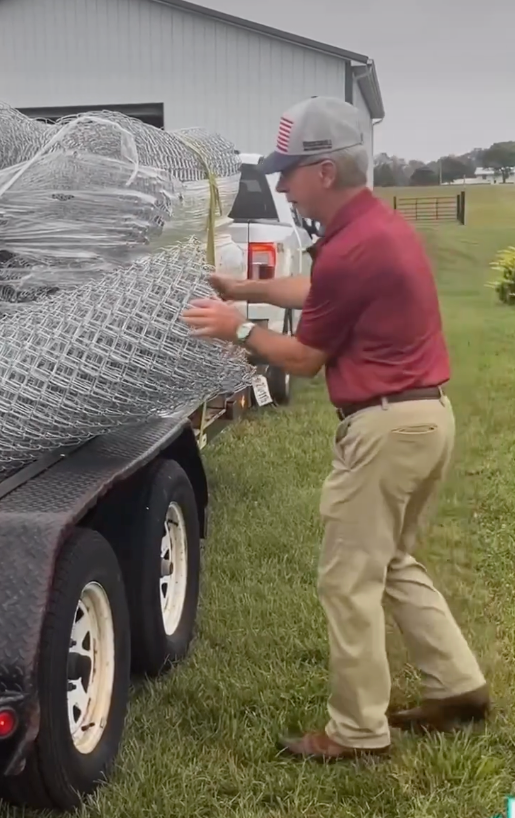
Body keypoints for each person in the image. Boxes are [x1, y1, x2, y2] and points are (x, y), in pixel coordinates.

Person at [181, 96, 489, 761]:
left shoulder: (354, 248)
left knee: (347, 581)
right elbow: (319, 292)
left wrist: (235, 328)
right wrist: (242, 290)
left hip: (384, 430)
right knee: (392, 561)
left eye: (290, 172)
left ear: (325, 171)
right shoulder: (376, 228)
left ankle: (357, 733)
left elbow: (304, 359)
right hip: (424, 419)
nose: (285, 186)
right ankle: (459, 686)